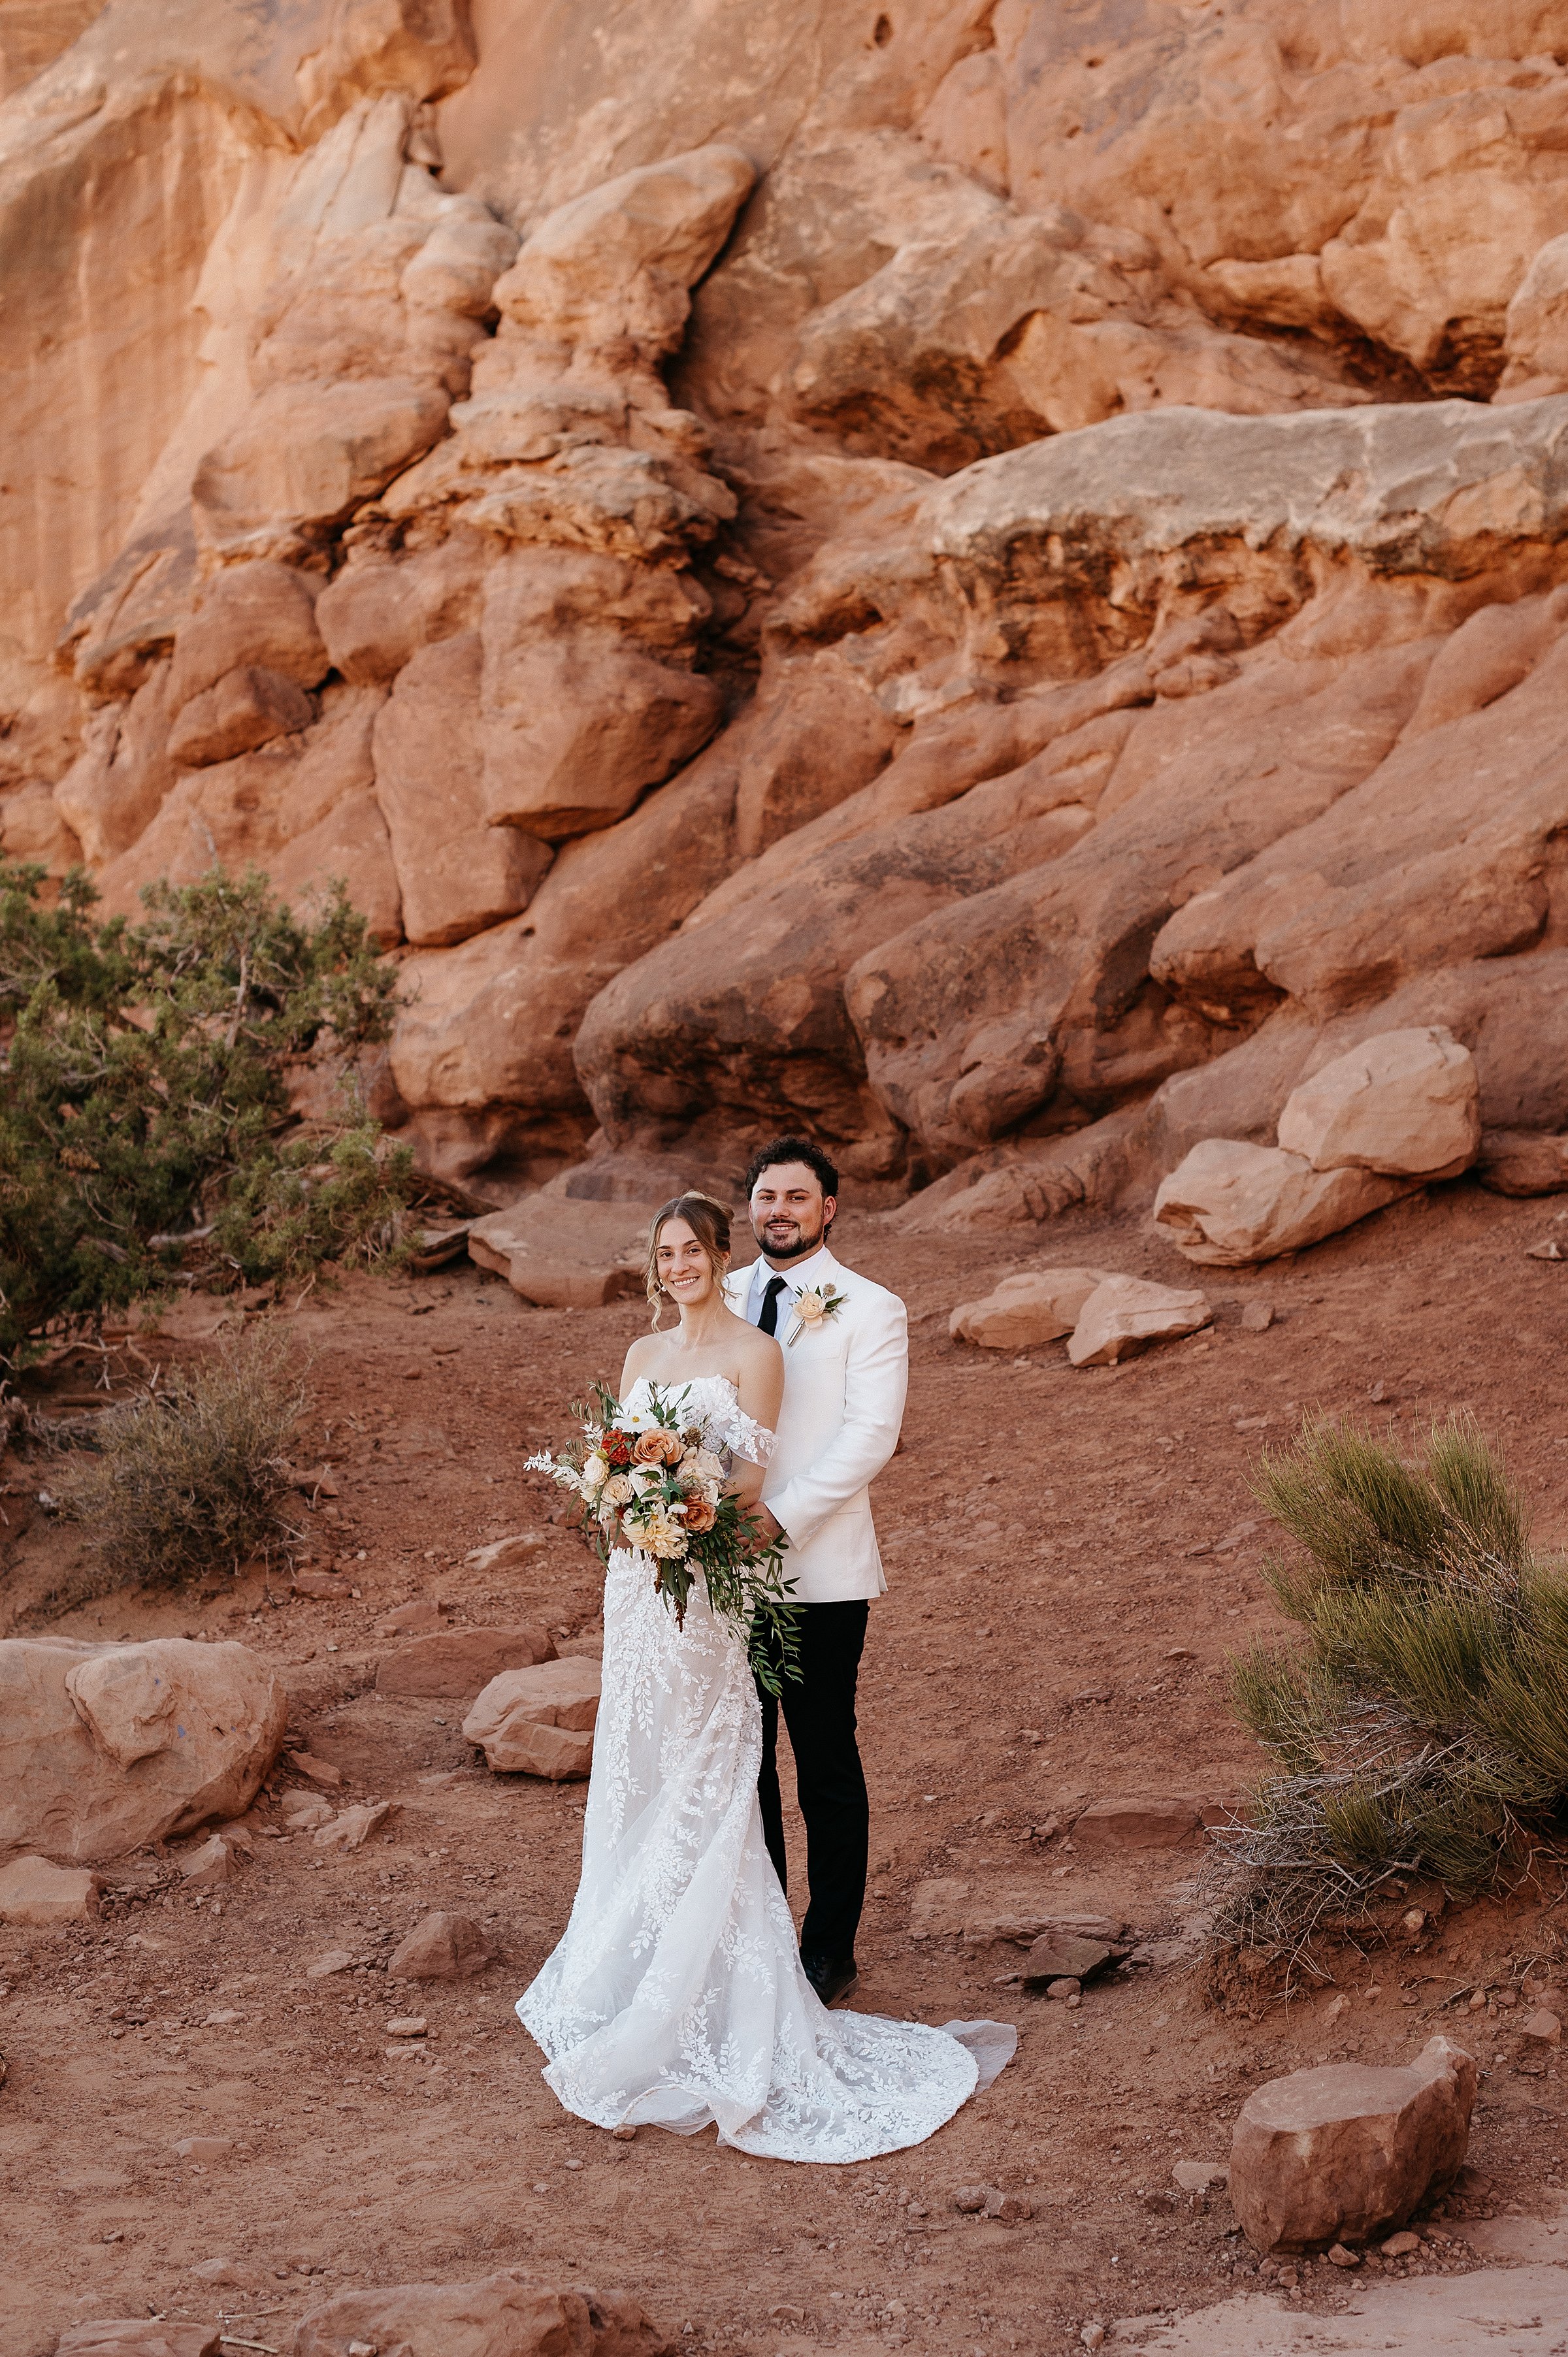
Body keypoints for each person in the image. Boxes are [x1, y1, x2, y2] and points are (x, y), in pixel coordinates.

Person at [516, 1190, 1014, 2161]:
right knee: (642, 1758)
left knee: (726, 1763)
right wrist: (620, 1498)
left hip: (708, 1584)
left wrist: (679, 1496)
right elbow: (613, 1457)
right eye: (664, 1253)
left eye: (692, 1249)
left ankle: (759, 1968)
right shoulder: (639, 1356)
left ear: (717, 1253)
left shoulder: (756, 1351)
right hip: (638, 1587)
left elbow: (752, 1475)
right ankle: (639, 1963)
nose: (678, 1265)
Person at [727, 1136, 903, 2010]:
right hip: (722, 1574)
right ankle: (756, 1938)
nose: (780, 1211)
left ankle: (828, 1947)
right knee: (741, 1760)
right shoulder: (716, 1298)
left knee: (823, 1758)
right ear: (749, 1207)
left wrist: (780, 1517)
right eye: (766, 1197)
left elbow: (870, 1436)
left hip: (821, 1573)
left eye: (797, 1197)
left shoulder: (871, 1308)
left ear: (828, 1209)